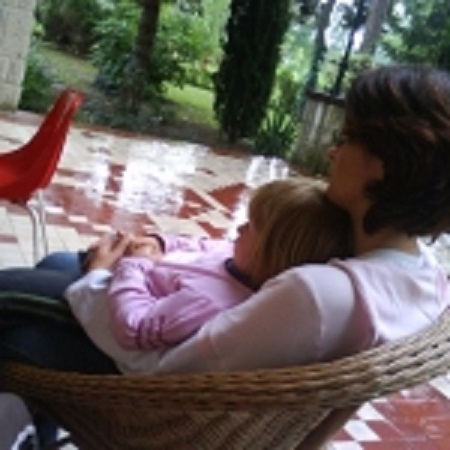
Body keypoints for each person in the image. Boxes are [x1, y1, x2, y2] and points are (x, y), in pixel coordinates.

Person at [0, 178, 351, 374]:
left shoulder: (210, 302)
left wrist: (124, 266)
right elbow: (202, 244)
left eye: (252, 227)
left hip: (109, 314)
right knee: (56, 261)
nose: (239, 228)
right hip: (124, 282)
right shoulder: (236, 257)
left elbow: (134, 328)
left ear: (273, 255)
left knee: (8, 293)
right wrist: (157, 243)